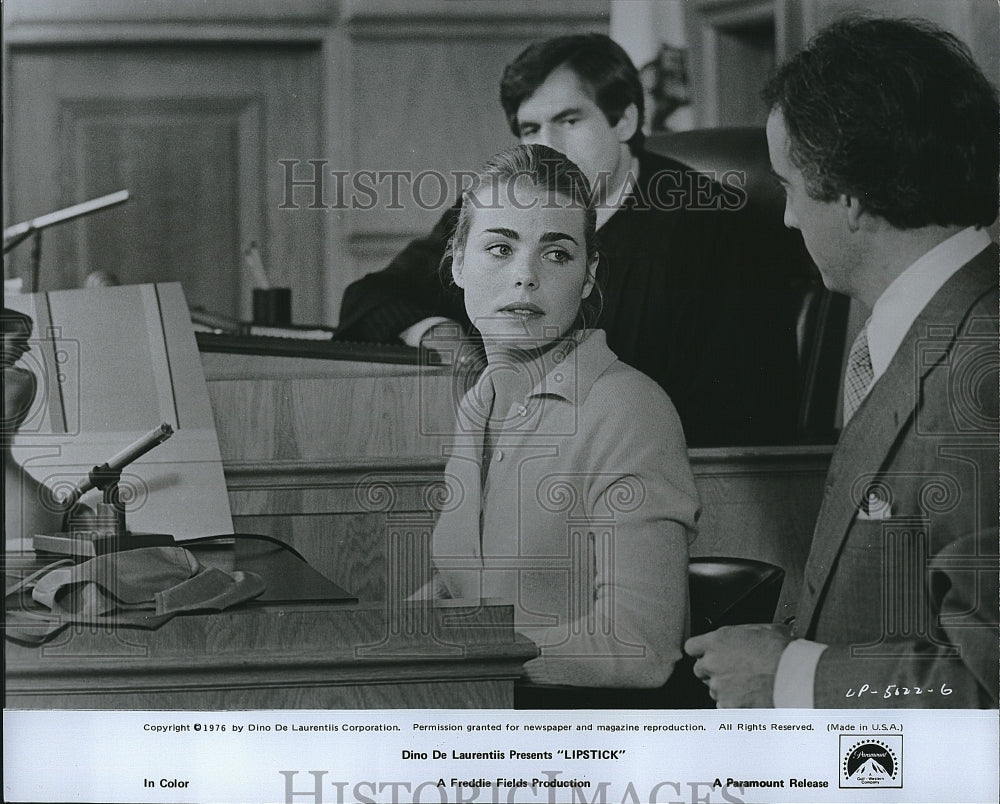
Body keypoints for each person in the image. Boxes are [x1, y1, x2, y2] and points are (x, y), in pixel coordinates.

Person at [686, 16, 999, 708]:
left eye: (790, 185)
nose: (790, 219)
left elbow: (989, 685)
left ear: (851, 194)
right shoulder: (933, 334)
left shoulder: (982, 371)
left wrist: (791, 677)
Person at [336, 33, 800, 447]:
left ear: (624, 121)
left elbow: (744, 416)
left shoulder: (717, 228)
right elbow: (372, 296)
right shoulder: (495, 206)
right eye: (531, 129)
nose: (550, 146)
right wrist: (443, 337)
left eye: (569, 120)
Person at [414, 144, 699, 691]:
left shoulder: (628, 409)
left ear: (589, 276)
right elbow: (473, 593)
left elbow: (640, 647)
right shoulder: (480, 402)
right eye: (500, 248)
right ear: (457, 263)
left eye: (557, 255)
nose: (525, 277)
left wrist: (448, 656)